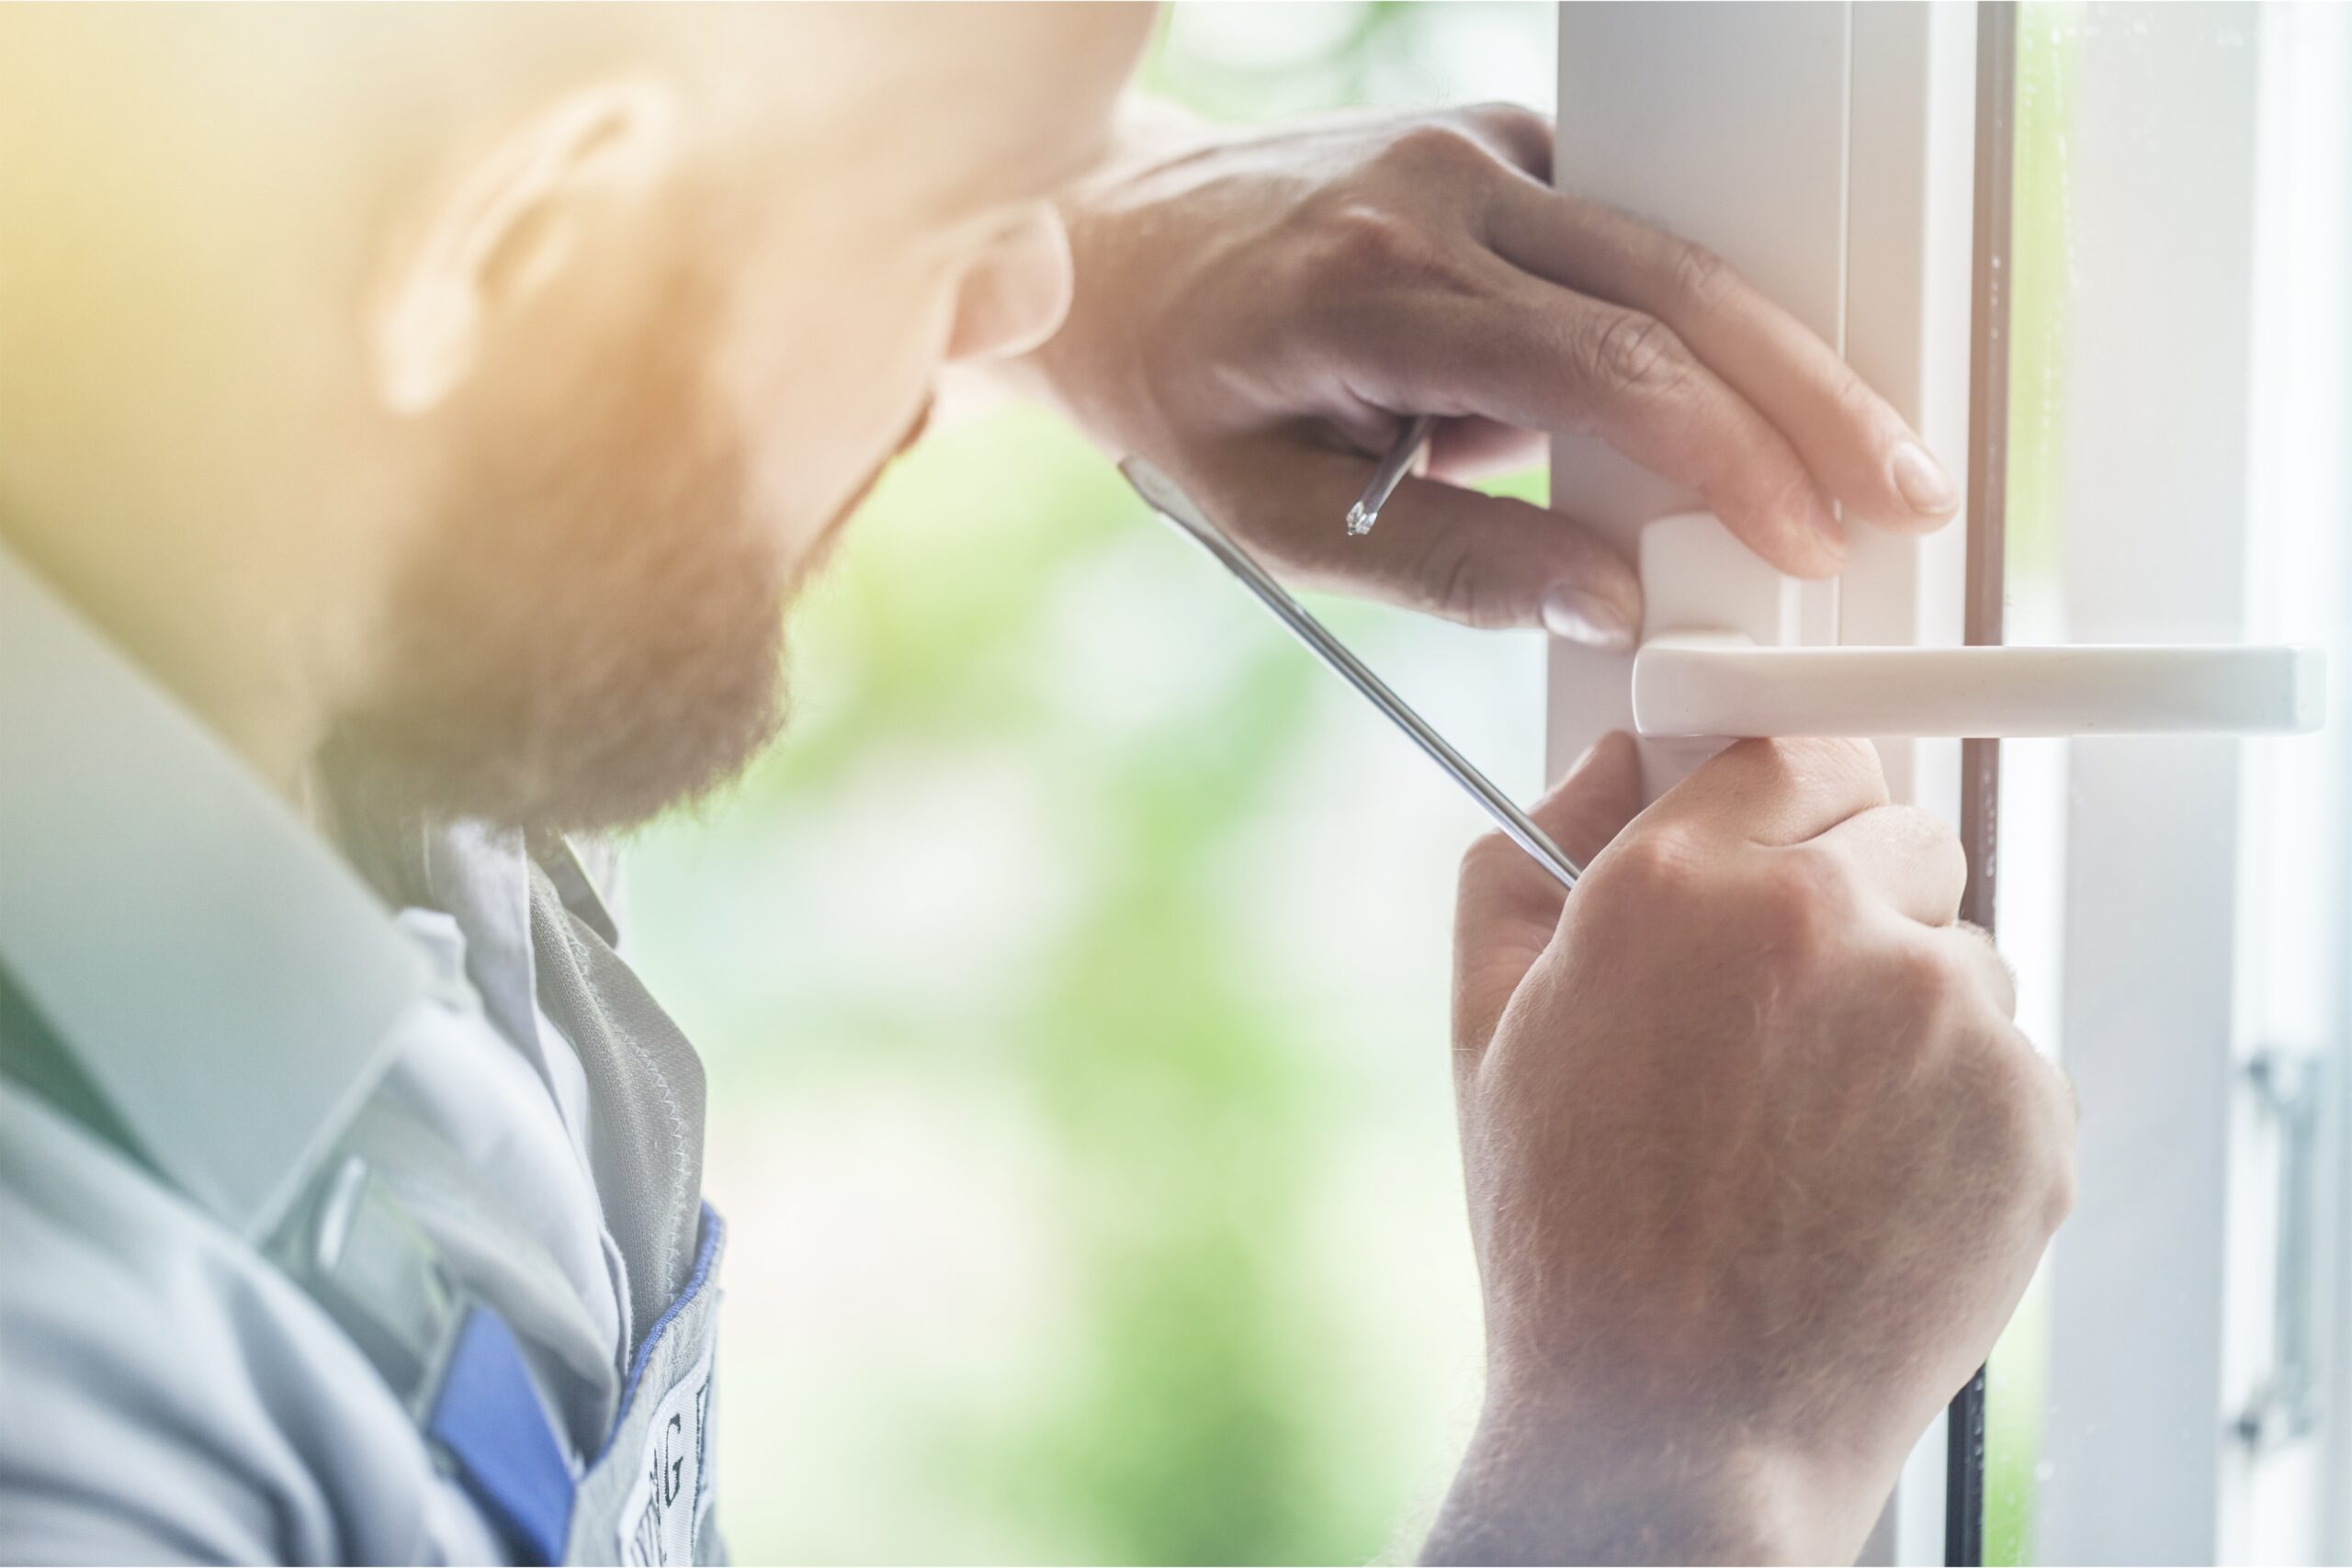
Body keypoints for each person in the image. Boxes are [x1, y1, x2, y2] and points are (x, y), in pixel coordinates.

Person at [0, 6, 2072, 1563]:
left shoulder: (277, 558)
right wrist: (1679, 1453)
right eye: (970, 235)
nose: (1035, 308)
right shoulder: (77, 1425)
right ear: (521, 239)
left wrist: (1088, 197)